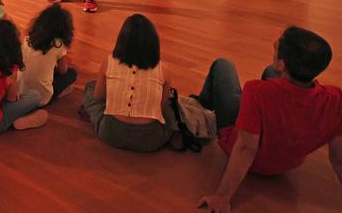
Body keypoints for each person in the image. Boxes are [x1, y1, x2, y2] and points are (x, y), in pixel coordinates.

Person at [197, 27, 342, 213]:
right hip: (286, 163)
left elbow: (245, 149)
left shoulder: (256, 91)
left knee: (223, 65)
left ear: (282, 64)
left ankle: (201, 105)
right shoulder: (335, 99)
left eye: (277, 45)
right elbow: (338, 158)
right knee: (269, 72)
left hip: (238, 146)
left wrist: (222, 196)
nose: (275, 43)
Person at [80, 14, 174, 152]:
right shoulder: (163, 69)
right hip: (151, 140)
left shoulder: (109, 62)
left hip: (110, 133)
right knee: (171, 104)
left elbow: (98, 97)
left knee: (91, 87)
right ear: (154, 43)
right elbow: (160, 106)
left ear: (121, 41)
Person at [19, 4, 77, 106]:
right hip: (42, 98)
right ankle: (56, 95)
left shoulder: (28, 39)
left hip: (19, 91)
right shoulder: (59, 45)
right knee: (72, 73)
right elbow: (63, 70)